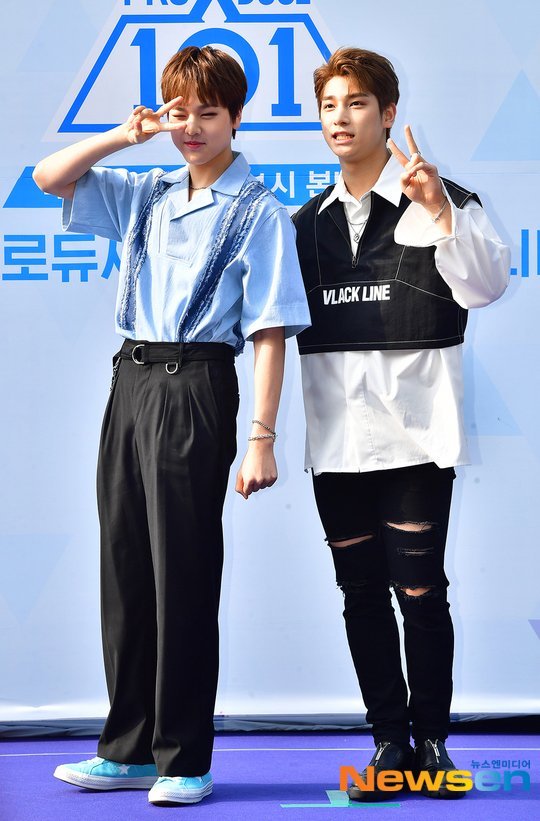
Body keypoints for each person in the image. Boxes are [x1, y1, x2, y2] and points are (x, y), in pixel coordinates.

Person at [33, 45, 310, 806]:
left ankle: (184, 757)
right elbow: (49, 178)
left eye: (207, 114)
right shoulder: (146, 191)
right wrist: (126, 136)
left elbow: (269, 331)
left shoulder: (259, 211)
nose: (190, 128)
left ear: (236, 118)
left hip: (196, 383)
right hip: (129, 379)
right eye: (178, 113)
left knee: (181, 573)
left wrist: (260, 437)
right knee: (124, 568)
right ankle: (126, 748)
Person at [292, 47, 509, 801]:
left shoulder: (441, 198)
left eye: (356, 103)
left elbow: (487, 285)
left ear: (388, 113)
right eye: (329, 105)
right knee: (360, 595)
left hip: (418, 438)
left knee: (421, 594)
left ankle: (434, 744)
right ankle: (389, 742)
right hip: (336, 442)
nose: (341, 118)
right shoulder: (304, 224)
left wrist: (440, 210)